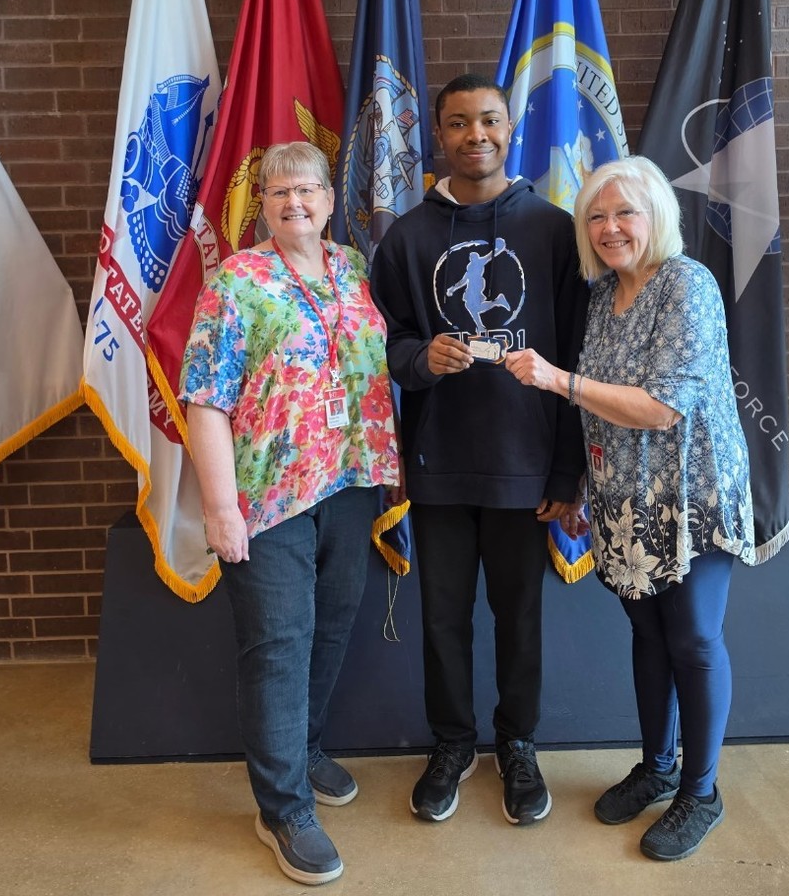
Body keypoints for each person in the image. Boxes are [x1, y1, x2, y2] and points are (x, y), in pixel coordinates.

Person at [504, 155, 756, 861]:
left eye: (626, 213)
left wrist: (557, 379)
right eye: (597, 216)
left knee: (694, 639)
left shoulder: (687, 285)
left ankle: (701, 793)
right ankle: (658, 764)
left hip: (691, 494)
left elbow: (661, 407)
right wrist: (585, 484)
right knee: (648, 634)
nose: (611, 227)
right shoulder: (600, 295)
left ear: (656, 217)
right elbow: (600, 416)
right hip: (622, 498)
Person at [369, 73, 588, 826]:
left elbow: (578, 354)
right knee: (442, 619)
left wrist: (567, 470)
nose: (476, 136)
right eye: (459, 123)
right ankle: (452, 744)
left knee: (520, 616)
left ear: (510, 127)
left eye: (489, 121)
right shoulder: (407, 236)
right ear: (440, 135)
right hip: (438, 466)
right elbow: (384, 342)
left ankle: (517, 744)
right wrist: (416, 363)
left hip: (526, 468)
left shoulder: (554, 230)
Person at [180, 141, 401, 885]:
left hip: (349, 483)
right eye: (278, 194)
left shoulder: (356, 269)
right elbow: (204, 400)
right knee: (278, 644)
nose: (294, 203)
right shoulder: (235, 282)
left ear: (330, 201)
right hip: (266, 497)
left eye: (306, 190)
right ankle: (281, 810)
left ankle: (301, 750)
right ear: (263, 206)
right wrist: (219, 509)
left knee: (331, 627)